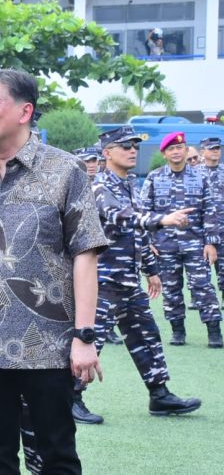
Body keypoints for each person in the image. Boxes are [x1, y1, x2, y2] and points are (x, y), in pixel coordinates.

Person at [0, 68, 107, 474]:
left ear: (24, 111)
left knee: (58, 458)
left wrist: (84, 336)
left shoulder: (65, 170)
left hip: (48, 346)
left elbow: (85, 253)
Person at [73, 126, 201, 423]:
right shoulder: (100, 186)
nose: (133, 151)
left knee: (147, 335)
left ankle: (159, 395)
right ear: (107, 153)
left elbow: (138, 234)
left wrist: (151, 270)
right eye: (125, 146)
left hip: (128, 281)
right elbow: (122, 217)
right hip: (102, 281)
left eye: (135, 146)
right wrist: (163, 219)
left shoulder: (130, 184)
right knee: (91, 341)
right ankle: (70, 397)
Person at [140, 132, 223, 348]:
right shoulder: (154, 178)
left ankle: (214, 332)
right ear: (164, 154)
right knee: (171, 289)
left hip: (196, 244)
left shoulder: (201, 177)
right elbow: (144, 212)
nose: (176, 152)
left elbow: (210, 211)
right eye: (171, 149)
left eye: (179, 148)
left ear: (186, 151)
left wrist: (211, 243)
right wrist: (148, 241)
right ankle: (178, 331)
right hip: (164, 245)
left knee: (203, 287)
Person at [73, 147, 124, 346]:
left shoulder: (105, 186)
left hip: (106, 248)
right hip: (79, 248)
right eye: (87, 161)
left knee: (106, 291)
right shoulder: (72, 186)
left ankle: (107, 328)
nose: (91, 165)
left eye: (94, 160)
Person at [196, 137, 224, 307]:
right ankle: (205, 304)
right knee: (200, 274)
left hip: (222, 230)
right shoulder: (194, 174)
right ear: (203, 152)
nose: (215, 151)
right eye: (211, 148)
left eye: (217, 148)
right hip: (200, 232)